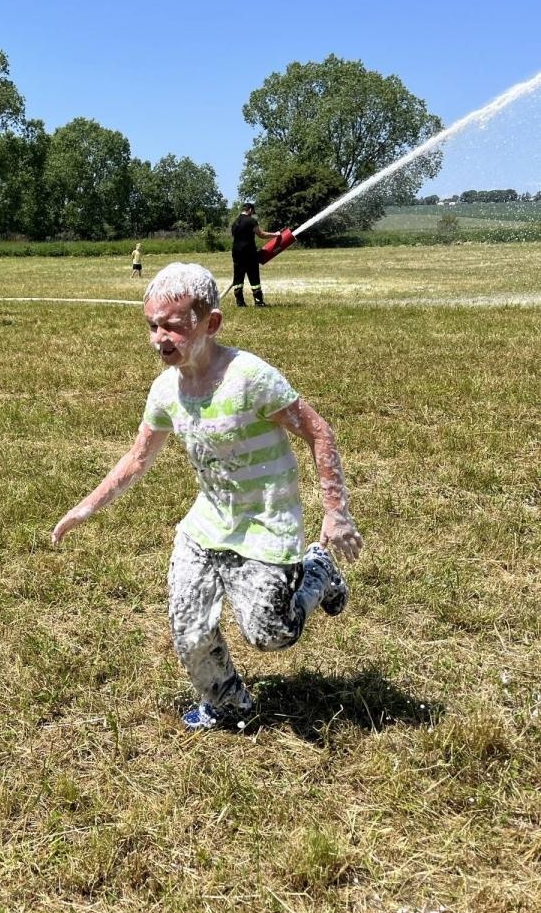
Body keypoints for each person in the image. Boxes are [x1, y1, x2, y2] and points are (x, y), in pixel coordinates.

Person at [51, 262, 363, 731]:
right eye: (153, 326)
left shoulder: (250, 377)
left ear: (210, 323)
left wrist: (336, 512)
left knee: (271, 634)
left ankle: (317, 569)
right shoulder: (166, 390)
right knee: (188, 623)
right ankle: (228, 703)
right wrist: (86, 507)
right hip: (207, 525)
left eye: (174, 326)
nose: (161, 338)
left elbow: (320, 432)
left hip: (265, 523)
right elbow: (138, 457)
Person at [230, 202, 279, 307]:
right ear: (250, 210)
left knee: (238, 277)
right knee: (253, 276)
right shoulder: (251, 221)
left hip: (236, 251)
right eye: (253, 212)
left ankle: (240, 302)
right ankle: (258, 301)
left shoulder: (235, 222)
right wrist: (275, 234)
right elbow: (261, 234)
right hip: (249, 252)